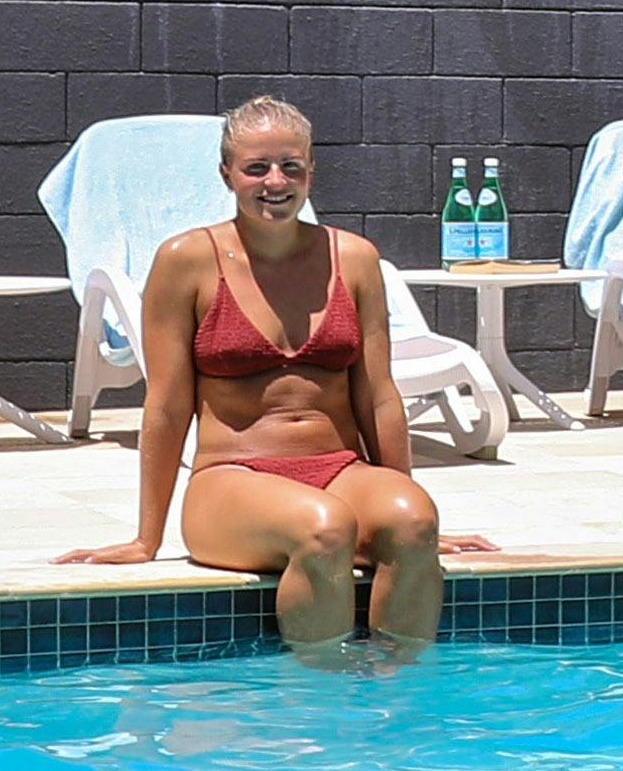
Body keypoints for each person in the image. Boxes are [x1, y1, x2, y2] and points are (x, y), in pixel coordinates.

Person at [60, 94, 470, 652]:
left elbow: (378, 395)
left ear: (310, 171)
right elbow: (167, 406)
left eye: (290, 166)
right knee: (324, 528)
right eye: (256, 168)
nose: (275, 181)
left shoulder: (354, 259)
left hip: (339, 469)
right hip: (232, 479)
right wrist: (145, 538)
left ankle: (394, 693)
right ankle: (317, 691)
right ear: (227, 174)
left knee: (414, 521)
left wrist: (403, 507)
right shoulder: (186, 260)